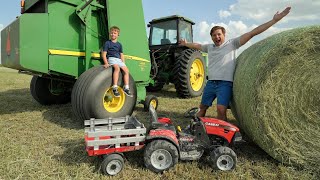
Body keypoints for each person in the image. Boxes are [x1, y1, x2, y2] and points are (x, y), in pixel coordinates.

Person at [180, 7, 291, 120]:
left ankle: (221, 133)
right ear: (211, 37)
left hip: (225, 84)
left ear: (224, 34)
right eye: (214, 35)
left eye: (219, 34)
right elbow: (197, 45)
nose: (216, 37)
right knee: (202, 107)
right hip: (211, 83)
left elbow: (252, 33)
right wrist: (186, 43)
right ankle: (197, 125)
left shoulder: (232, 44)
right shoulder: (209, 47)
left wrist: (274, 20)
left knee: (221, 110)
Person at [102, 26, 132, 97]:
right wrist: (106, 63)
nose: (113, 34)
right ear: (110, 34)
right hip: (111, 58)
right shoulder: (107, 43)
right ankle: (114, 87)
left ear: (118, 34)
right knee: (117, 68)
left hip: (119, 60)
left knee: (126, 71)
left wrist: (123, 63)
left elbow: (121, 54)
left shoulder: (119, 45)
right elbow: (104, 54)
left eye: (115, 33)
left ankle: (126, 87)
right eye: (111, 33)